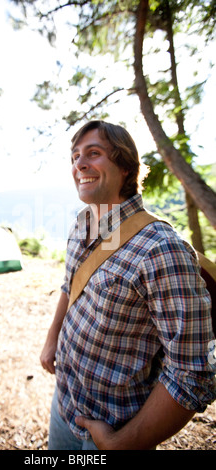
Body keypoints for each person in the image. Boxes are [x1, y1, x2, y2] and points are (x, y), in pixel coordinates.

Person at [40, 120, 216, 450]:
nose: (79, 164)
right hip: (65, 403)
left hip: (116, 427)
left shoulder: (161, 248)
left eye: (93, 153)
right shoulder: (83, 221)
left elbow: (193, 374)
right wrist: (52, 339)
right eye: (75, 156)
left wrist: (122, 443)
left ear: (124, 166)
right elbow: (69, 286)